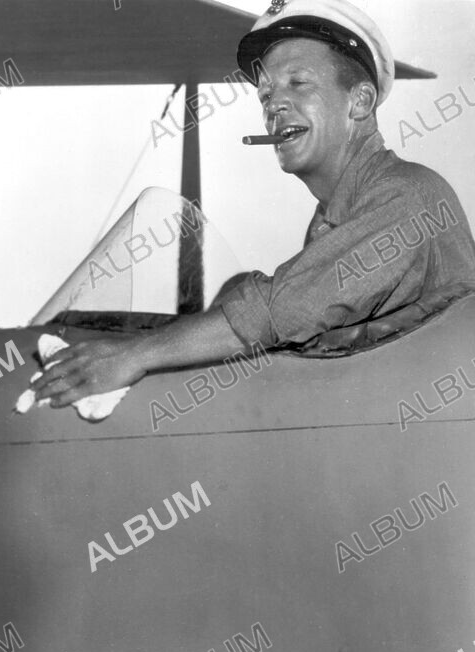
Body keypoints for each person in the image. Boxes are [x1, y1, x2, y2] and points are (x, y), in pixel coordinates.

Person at [34, 0, 475, 406]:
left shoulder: (407, 197)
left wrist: (133, 356)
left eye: (298, 83)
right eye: (265, 95)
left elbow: (283, 308)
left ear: (358, 102)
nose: (274, 105)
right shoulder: (331, 219)